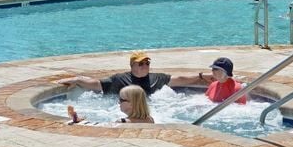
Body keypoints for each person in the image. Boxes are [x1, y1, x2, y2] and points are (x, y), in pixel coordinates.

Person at [58, 51, 208, 96]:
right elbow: (97, 84)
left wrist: (201, 76)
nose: (145, 66)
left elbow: (180, 79)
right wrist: (77, 79)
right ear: (132, 65)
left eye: (147, 63)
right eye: (141, 63)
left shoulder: (157, 78)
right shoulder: (120, 79)